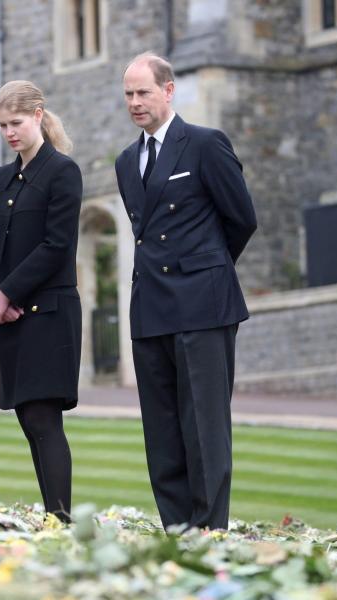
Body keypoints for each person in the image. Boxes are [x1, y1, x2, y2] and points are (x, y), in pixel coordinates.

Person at [113, 52, 258, 530]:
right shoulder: (125, 161)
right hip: (150, 308)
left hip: (202, 307)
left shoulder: (204, 144)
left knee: (205, 430)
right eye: (129, 94)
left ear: (168, 91)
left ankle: (210, 534)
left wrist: (205, 272)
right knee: (162, 433)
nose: (135, 102)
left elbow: (241, 219)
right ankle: (178, 531)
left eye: (144, 92)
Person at [0, 80, 83, 523]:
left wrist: (8, 293)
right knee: (28, 419)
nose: (9, 133)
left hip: (50, 313)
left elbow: (57, 246)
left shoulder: (62, 171)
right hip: (13, 318)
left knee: (43, 419)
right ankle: (53, 518)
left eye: (16, 123)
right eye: (2, 126)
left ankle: (60, 521)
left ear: (38, 116)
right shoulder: (3, 177)